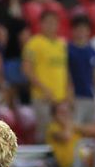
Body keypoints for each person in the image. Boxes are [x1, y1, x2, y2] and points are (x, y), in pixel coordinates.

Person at [22, 10, 70, 140]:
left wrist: (68, 91)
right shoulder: (34, 43)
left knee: (60, 133)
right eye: (47, 22)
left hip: (60, 98)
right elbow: (26, 69)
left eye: (54, 22)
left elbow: (65, 70)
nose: (51, 25)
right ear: (41, 24)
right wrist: (43, 89)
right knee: (44, 132)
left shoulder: (62, 44)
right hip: (42, 97)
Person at [67, 15, 95, 128]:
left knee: (90, 130)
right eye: (78, 29)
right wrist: (69, 95)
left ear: (89, 31)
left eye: (84, 29)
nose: (81, 32)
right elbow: (66, 74)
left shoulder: (92, 51)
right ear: (73, 31)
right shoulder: (68, 50)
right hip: (75, 97)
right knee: (75, 128)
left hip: (90, 96)